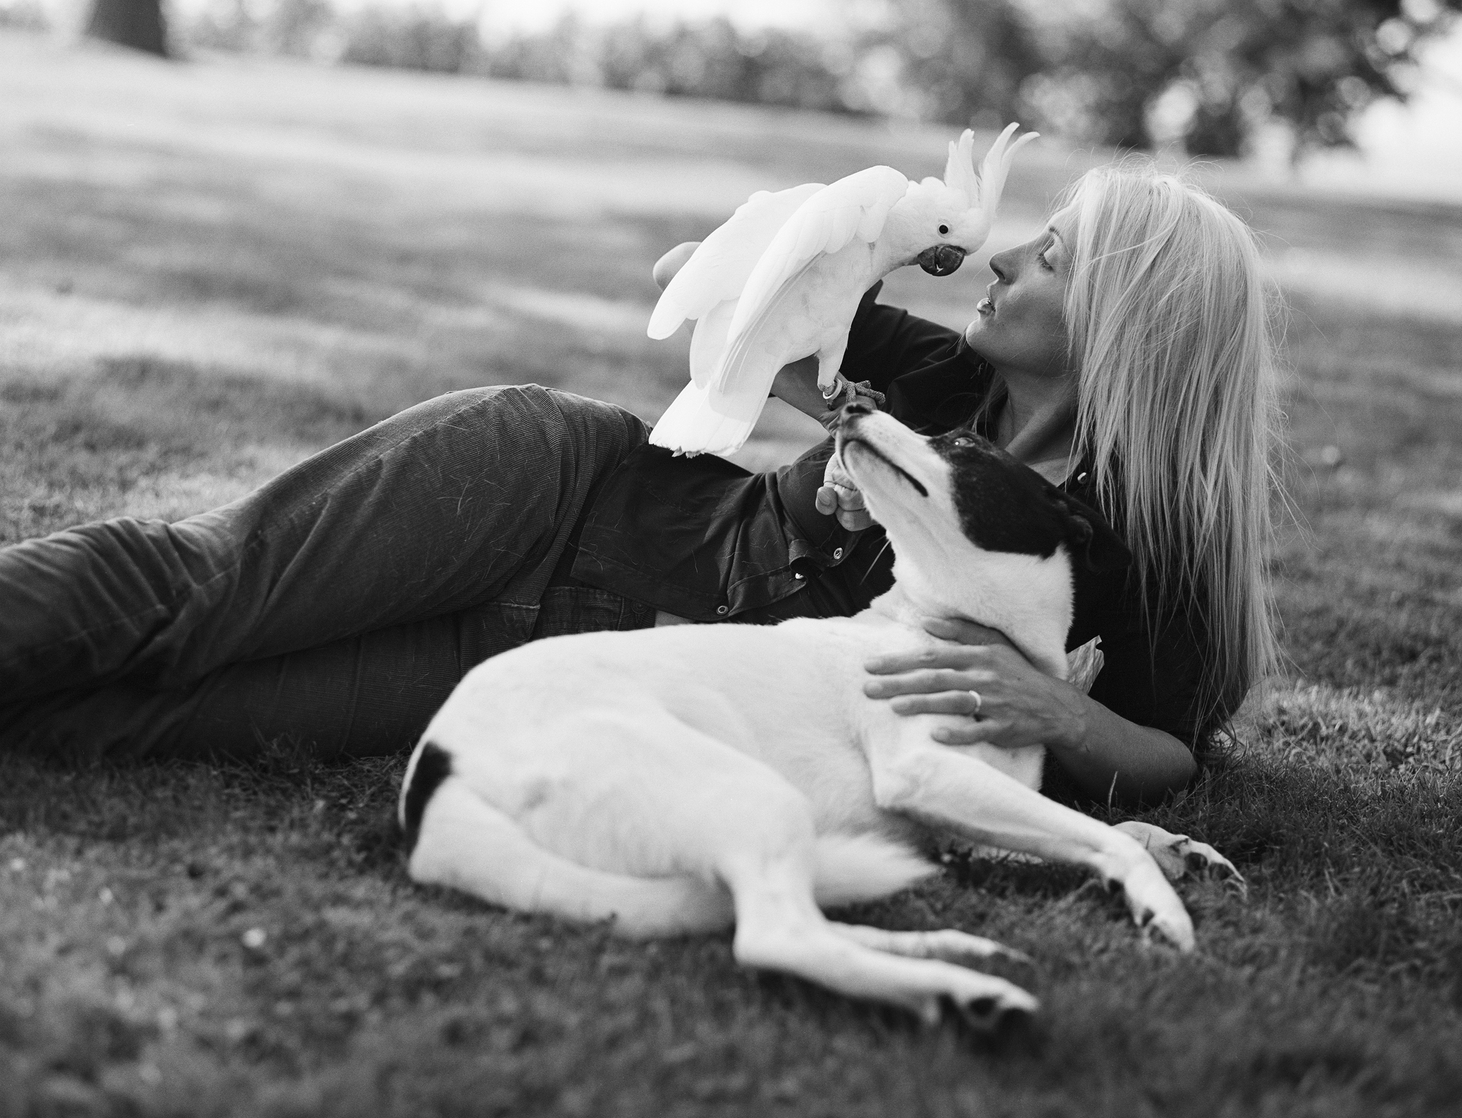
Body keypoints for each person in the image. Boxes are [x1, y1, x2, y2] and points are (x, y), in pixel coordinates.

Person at [0, 160, 1281, 808]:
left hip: (589, 675)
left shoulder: (1138, 531)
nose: (1000, 257)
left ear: (1123, 316)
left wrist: (1051, 712)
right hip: (555, 492)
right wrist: (842, 268)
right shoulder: (949, 387)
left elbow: (1172, 744)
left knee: (171, 717)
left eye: (1044, 255)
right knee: (201, 590)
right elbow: (712, 275)